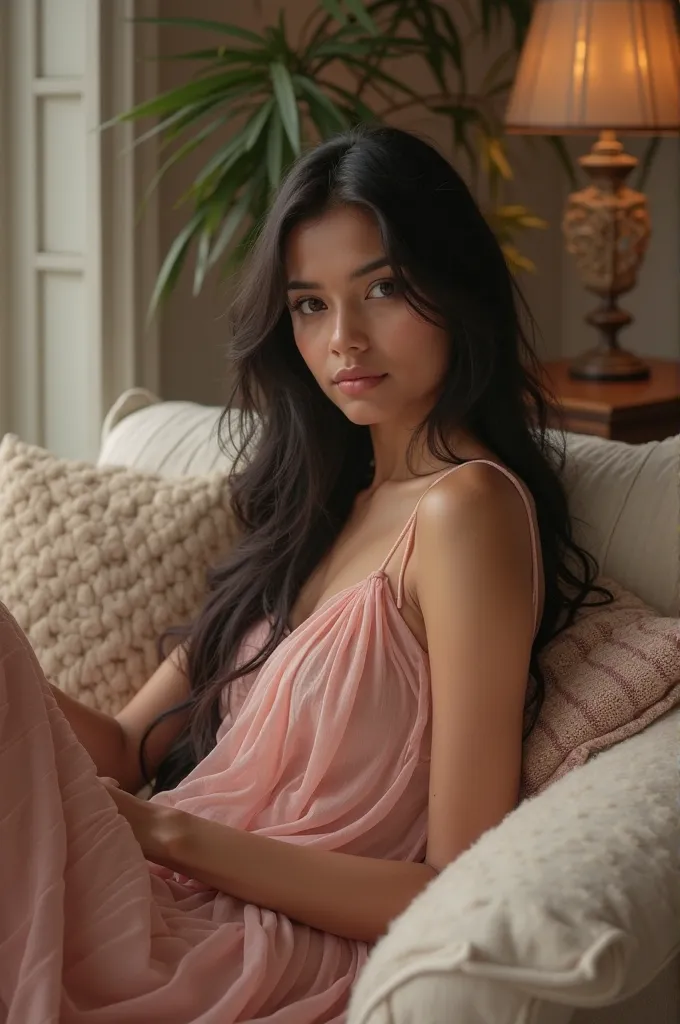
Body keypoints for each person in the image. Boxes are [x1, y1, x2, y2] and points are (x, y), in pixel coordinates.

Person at [0, 125, 605, 1023]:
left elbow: (449, 880)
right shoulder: (316, 514)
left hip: (233, 940)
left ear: (456, 288)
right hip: (144, 879)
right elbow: (128, 750)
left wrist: (161, 829)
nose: (344, 340)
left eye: (383, 289)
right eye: (311, 305)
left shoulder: (467, 511)